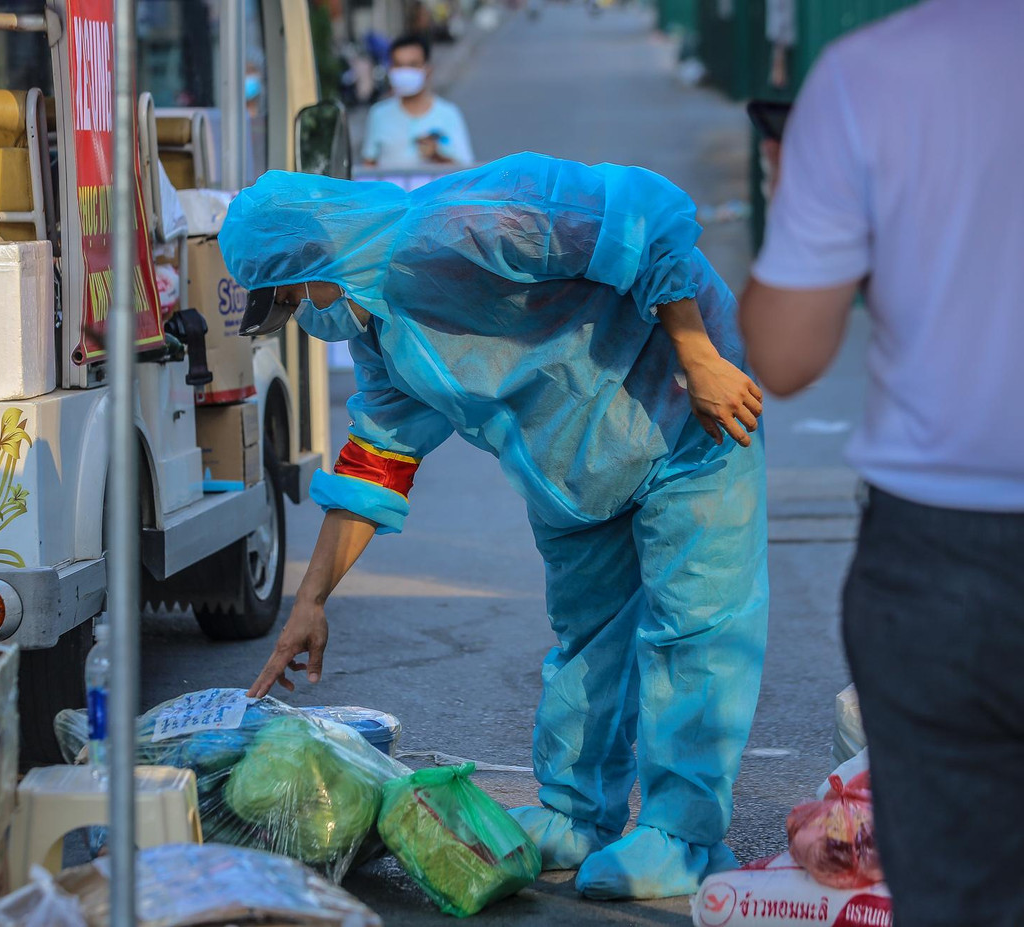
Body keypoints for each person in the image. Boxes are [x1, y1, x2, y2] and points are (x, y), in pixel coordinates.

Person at [224, 153, 768, 900]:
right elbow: (376, 461)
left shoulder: (465, 223)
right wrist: (311, 600)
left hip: (683, 412)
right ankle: (576, 814)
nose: (304, 319)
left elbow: (642, 215)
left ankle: (684, 833)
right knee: (586, 640)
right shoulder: (383, 336)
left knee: (695, 631)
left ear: (320, 257)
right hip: (577, 474)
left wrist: (697, 352)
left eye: (290, 299)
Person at [738, 3, 1024, 925]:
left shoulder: (868, 76)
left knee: (957, 889)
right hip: (939, 557)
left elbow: (785, 355)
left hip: (942, 558)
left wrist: (793, 195)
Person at [360, 35, 474, 169]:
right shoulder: (378, 114)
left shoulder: (449, 114)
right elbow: (368, 169)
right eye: (399, 65)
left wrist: (436, 155)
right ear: (391, 69)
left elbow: (466, 172)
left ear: (427, 69)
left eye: (412, 65)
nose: (405, 72)